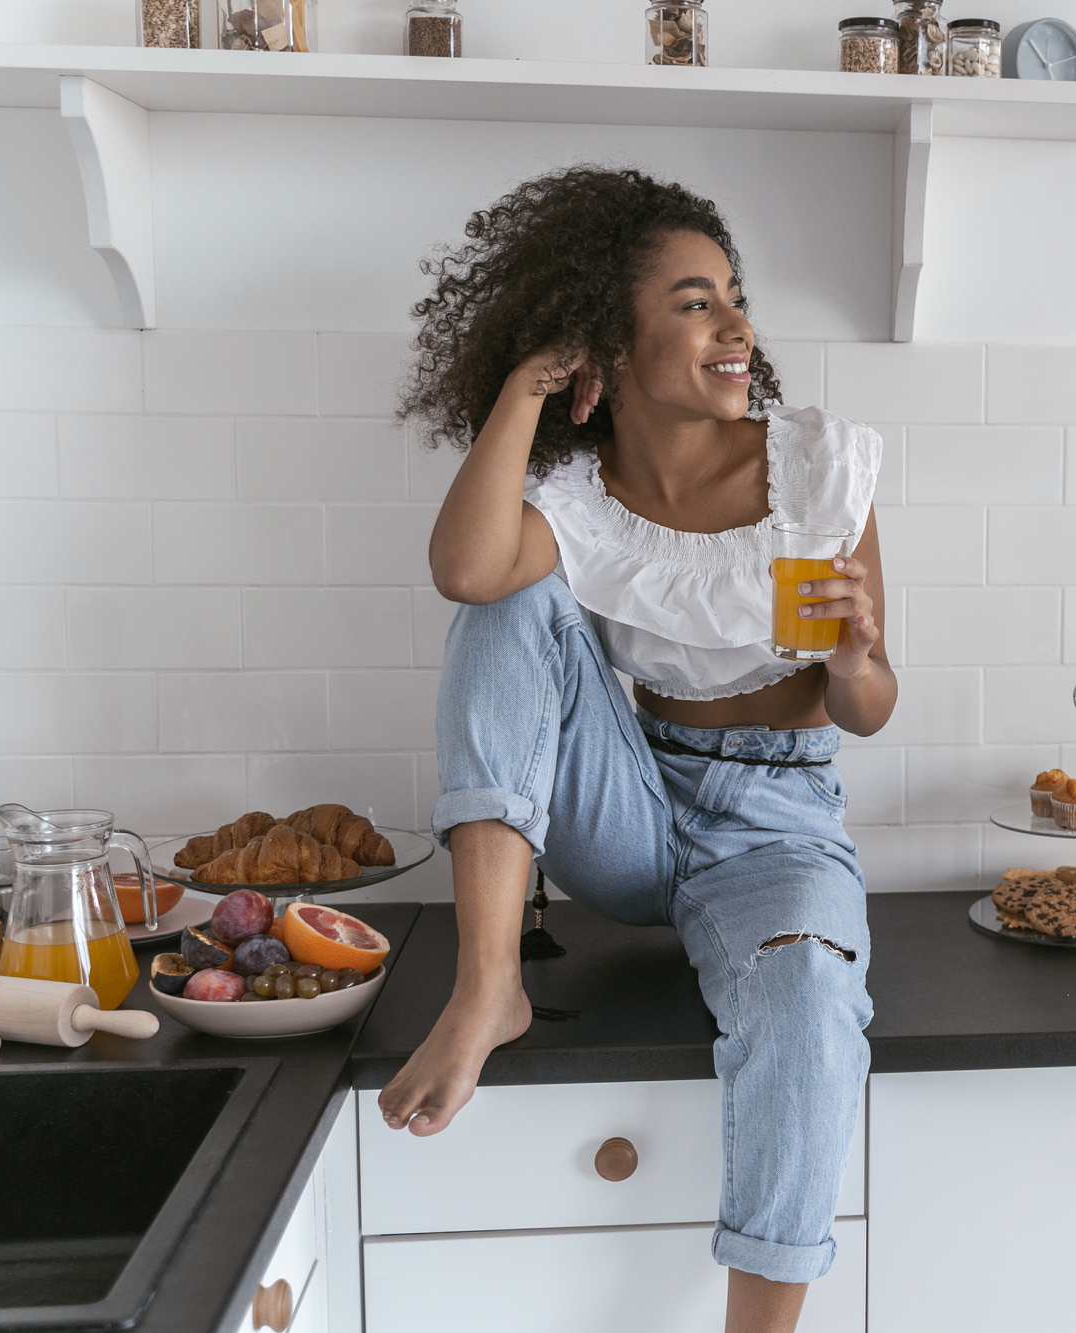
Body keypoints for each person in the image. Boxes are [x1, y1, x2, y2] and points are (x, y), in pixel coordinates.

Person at [378, 166, 896, 1333]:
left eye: (735, 299)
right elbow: (465, 571)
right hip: (630, 800)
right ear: (605, 341)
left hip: (779, 824)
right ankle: (487, 984)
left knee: (813, 994)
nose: (734, 326)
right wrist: (524, 387)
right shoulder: (574, 491)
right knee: (506, 600)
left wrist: (857, 655)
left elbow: (862, 707)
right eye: (693, 301)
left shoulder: (817, 467)